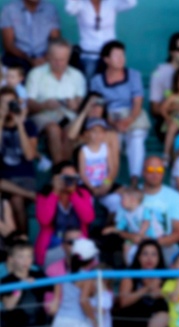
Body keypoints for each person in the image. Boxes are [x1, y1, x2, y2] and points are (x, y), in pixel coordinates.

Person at [89, 40, 150, 183]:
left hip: (132, 115)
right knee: (112, 141)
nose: (121, 59)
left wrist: (128, 120)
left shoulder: (134, 74)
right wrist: (113, 122)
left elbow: (137, 102)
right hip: (109, 118)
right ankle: (108, 183)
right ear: (106, 60)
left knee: (136, 137)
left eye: (122, 55)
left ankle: (134, 179)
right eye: (116, 56)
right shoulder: (97, 80)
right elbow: (97, 107)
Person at [25, 38, 86, 163]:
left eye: (62, 59)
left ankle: (65, 169)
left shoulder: (77, 75)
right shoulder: (36, 74)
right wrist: (43, 105)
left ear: (68, 58)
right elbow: (28, 104)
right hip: (42, 115)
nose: (58, 63)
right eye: (55, 59)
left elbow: (81, 103)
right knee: (53, 129)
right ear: (48, 56)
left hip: (67, 115)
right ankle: (60, 169)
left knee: (70, 129)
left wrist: (75, 104)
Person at [35, 161, 94, 267]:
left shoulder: (83, 193)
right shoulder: (44, 194)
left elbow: (88, 218)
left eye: (74, 177)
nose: (70, 181)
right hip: (53, 244)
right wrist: (55, 193)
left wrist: (74, 194)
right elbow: (44, 220)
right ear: (56, 178)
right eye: (66, 177)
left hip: (77, 242)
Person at [64, 0, 138, 79]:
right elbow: (70, 9)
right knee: (89, 84)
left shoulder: (111, 2)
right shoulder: (81, 4)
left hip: (110, 55)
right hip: (89, 55)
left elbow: (131, 3)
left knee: (111, 84)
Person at [0, 86, 38, 230]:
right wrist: (1, 119)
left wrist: (19, 124)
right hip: (4, 177)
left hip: (24, 177)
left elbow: (29, 155)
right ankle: (30, 195)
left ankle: (21, 238)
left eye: (11, 102)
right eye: (4, 102)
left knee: (16, 199)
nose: (8, 106)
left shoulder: (28, 125)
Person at [140, 156, 179, 263]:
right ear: (143, 172)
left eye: (159, 170)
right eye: (151, 170)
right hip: (138, 245)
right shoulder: (132, 195)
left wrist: (154, 245)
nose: (155, 174)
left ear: (163, 173)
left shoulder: (174, 197)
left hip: (166, 244)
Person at [0, 0, 61, 72]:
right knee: (15, 74)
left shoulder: (50, 9)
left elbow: (55, 40)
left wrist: (46, 58)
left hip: (45, 56)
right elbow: (9, 45)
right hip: (20, 57)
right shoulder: (10, 10)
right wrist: (29, 59)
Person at [77, 117, 120, 212]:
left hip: (103, 183)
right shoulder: (83, 151)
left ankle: (111, 225)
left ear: (104, 134)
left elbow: (112, 169)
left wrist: (106, 185)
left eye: (101, 132)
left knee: (117, 202)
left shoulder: (106, 148)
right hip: (88, 184)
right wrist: (92, 188)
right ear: (87, 133)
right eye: (94, 131)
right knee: (86, 204)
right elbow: (82, 173)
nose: (97, 135)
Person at [101, 185, 149, 266]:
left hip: (147, 235)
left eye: (123, 199)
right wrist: (111, 229)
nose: (120, 201)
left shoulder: (143, 210)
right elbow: (119, 228)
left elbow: (146, 222)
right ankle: (129, 266)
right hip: (132, 237)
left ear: (133, 200)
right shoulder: (125, 214)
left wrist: (141, 234)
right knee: (126, 246)